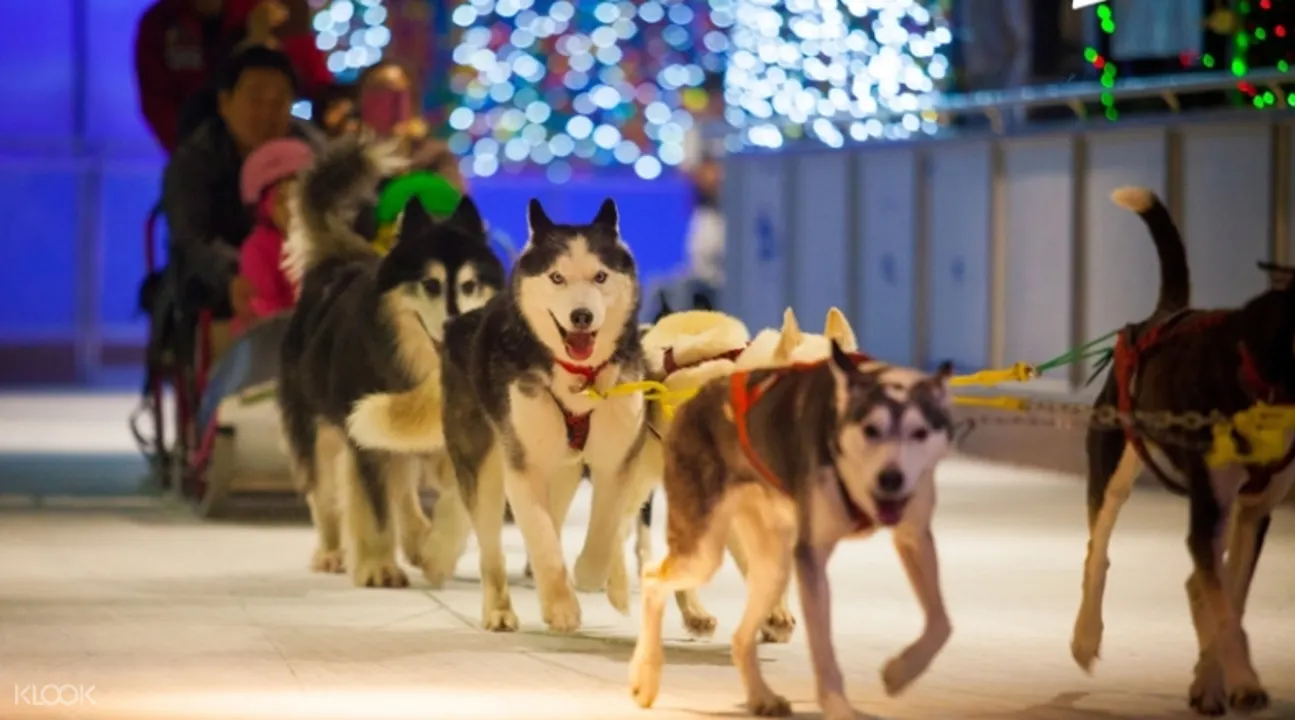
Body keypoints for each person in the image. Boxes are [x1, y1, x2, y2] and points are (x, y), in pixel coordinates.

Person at [161, 46, 321, 358]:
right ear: (225, 102)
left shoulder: (311, 154)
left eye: (278, 101)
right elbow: (192, 238)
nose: (267, 112)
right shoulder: (195, 160)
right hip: (222, 289)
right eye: (255, 99)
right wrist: (235, 275)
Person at [232, 137, 314, 335]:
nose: (291, 208)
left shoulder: (320, 241)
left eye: (298, 197)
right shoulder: (257, 248)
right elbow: (262, 305)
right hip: (269, 344)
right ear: (264, 207)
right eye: (281, 200)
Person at [133, 0, 230, 153]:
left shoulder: (259, 15)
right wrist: (188, 152)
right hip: (190, 153)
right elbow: (157, 101)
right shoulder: (160, 22)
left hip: (260, 155)